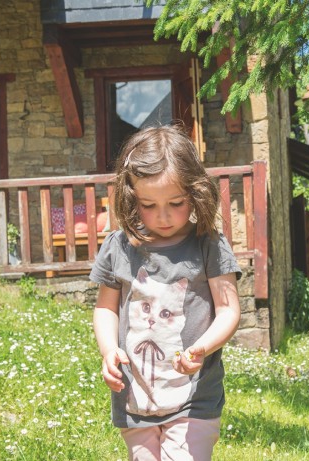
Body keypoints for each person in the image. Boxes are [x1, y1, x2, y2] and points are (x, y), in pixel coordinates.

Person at [91, 125, 242, 461]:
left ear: (196, 193)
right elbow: (105, 309)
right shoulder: (119, 246)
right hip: (135, 395)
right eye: (148, 204)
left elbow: (229, 309)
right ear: (131, 197)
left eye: (176, 202)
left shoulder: (209, 246)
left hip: (194, 398)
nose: (163, 215)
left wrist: (203, 347)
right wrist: (108, 350)